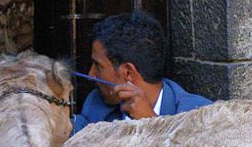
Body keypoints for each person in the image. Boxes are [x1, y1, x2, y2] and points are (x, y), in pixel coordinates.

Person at [72, 10, 211, 135]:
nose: (91, 75)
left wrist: (152, 124)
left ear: (128, 72)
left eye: (98, 66)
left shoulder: (200, 116)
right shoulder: (96, 104)